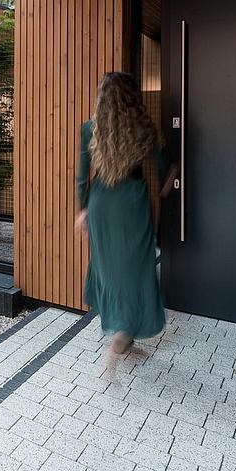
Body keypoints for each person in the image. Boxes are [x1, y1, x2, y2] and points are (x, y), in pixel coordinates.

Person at [75, 71, 177, 376]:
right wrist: (167, 185)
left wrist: (81, 210)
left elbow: (82, 176)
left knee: (109, 269)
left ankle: (122, 331)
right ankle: (123, 333)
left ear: (101, 98)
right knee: (138, 267)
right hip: (133, 204)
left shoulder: (88, 129)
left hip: (101, 206)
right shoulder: (141, 127)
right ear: (132, 97)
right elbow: (165, 170)